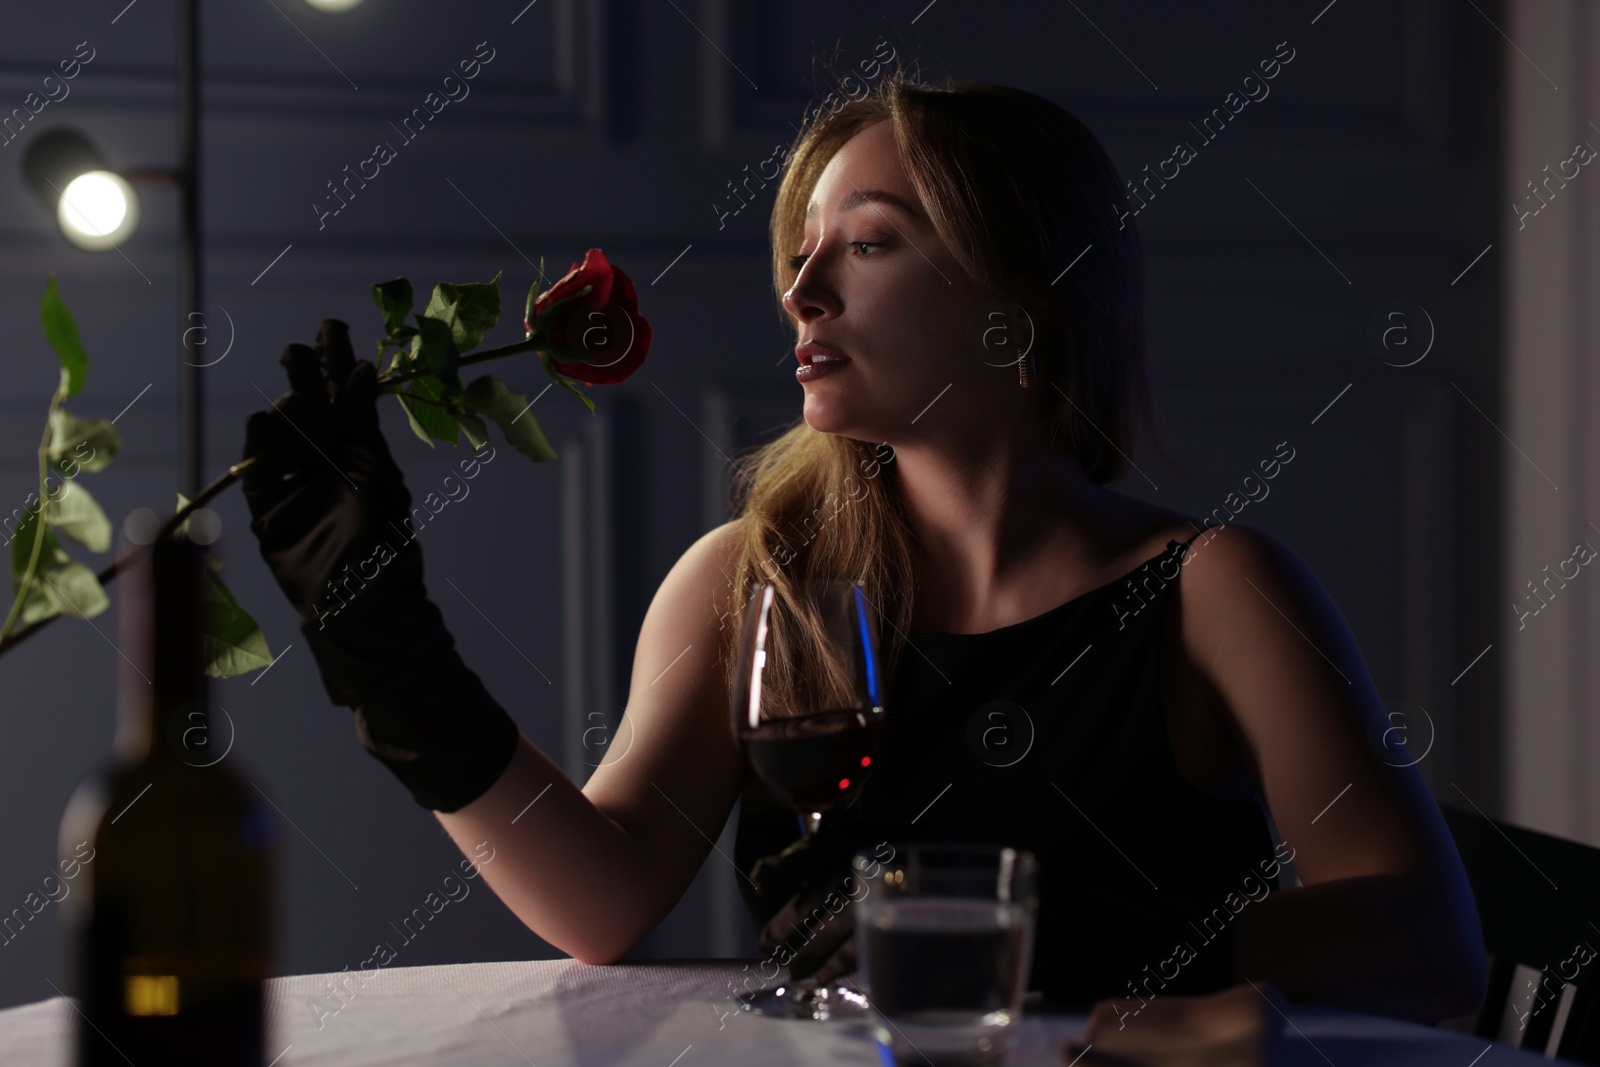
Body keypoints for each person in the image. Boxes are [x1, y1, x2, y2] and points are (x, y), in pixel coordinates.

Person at [241, 75, 1487, 1024]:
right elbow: (599, 899)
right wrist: (387, 652)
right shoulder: (749, 578)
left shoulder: (1214, 586)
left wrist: (1073, 939)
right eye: (802, 252)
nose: (802, 293)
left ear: (1018, 301)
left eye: (870, 241)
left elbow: (1430, 941)